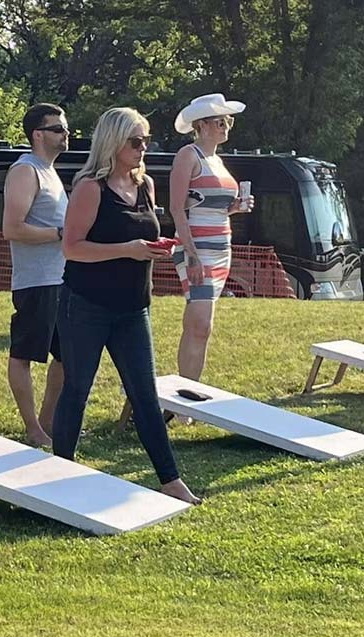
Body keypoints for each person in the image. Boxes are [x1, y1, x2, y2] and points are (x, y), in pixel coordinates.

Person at [53, 107, 201, 505]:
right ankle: (60, 472)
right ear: (113, 143)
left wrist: (158, 248)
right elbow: (72, 248)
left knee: (145, 395)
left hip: (133, 308)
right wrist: (128, 250)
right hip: (86, 304)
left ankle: (170, 479)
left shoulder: (146, 185)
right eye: (135, 142)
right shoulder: (90, 188)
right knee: (77, 389)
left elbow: (143, 236)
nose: (142, 149)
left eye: (146, 141)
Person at [169, 94, 255, 384]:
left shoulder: (216, 159)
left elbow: (209, 206)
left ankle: (187, 393)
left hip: (220, 248)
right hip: (197, 249)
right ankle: (184, 398)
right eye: (220, 121)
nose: (226, 126)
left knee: (200, 324)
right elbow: (177, 209)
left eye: (228, 121)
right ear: (202, 125)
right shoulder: (188, 155)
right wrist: (191, 254)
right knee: (200, 324)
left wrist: (235, 207)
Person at [1, 103, 69, 447]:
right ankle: (31, 428)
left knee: (68, 355)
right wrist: (61, 234)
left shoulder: (49, 171)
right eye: (57, 129)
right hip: (36, 282)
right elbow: (12, 229)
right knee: (24, 355)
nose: (65, 134)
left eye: (66, 129)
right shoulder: (25, 171)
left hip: (60, 280)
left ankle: (48, 424)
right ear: (37, 134)